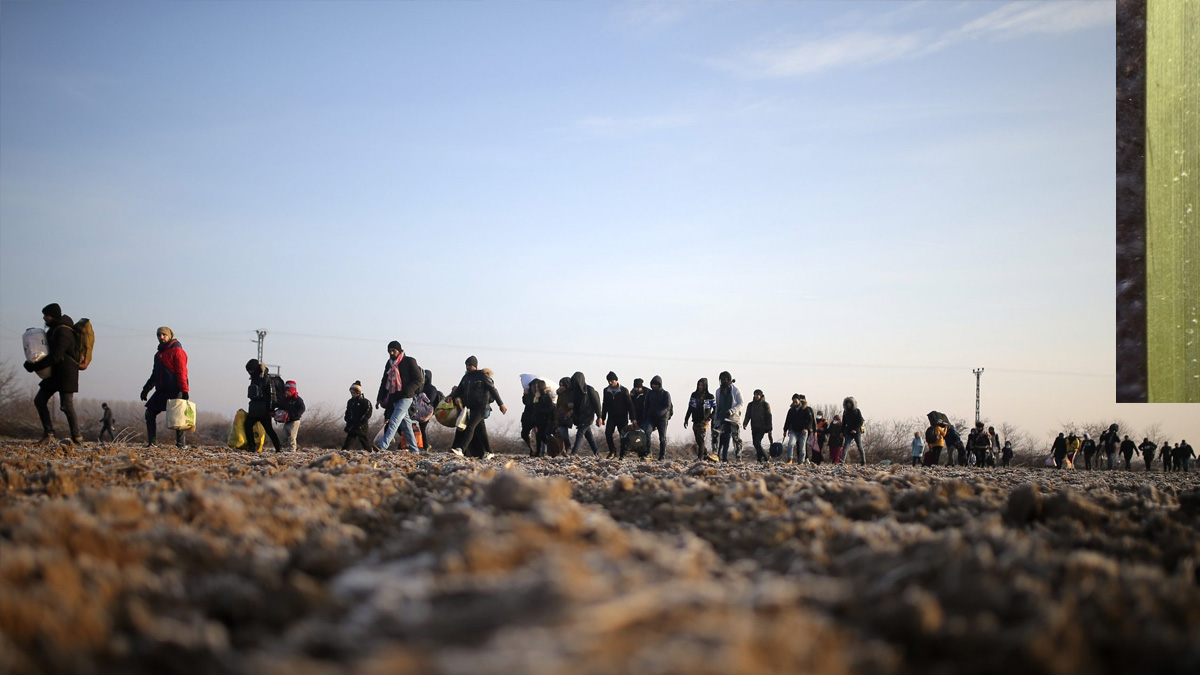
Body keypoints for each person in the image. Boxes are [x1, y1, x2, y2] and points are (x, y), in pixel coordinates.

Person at [24, 303, 81, 445]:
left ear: (53, 316)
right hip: (54, 373)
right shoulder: (54, 330)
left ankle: (77, 437)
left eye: (46, 315)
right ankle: (49, 434)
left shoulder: (64, 332)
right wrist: (31, 363)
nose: (44, 318)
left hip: (66, 374)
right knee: (40, 400)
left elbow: (55, 356)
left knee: (66, 405)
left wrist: (35, 366)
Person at [139, 326, 189, 449]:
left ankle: (181, 445)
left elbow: (181, 372)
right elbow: (154, 374)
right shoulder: (158, 355)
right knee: (149, 413)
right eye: (159, 335)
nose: (161, 337)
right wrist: (146, 389)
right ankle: (152, 443)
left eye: (163, 335)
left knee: (179, 418)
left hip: (175, 390)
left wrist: (184, 391)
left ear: (169, 336)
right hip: (161, 391)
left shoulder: (177, 351)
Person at [450, 356, 506, 458]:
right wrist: (451, 397)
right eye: (466, 365)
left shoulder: (482, 376)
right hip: (471, 407)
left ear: (475, 366)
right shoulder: (466, 378)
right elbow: (459, 390)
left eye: (470, 365)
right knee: (481, 431)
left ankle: (461, 449)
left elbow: (493, 390)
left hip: (481, 407)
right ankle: (490, 452)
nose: (467, 367)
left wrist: (501, 404)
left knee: (470, 427)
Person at [375, 341, 425, 453]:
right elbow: (384, 381)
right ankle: (414, 450)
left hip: (406, 397)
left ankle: (382, 446)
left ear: (399, 350)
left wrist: (408, 390)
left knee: (394, 420)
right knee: (406, 427)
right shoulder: (389, 364)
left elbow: (419, 379)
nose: (392, 353)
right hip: (394, 397)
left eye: (394, 350)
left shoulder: (409, 361)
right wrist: (380, 398)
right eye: (390, 351)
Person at [244, 359, 282, 452]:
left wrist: (271, 409)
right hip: (255, 408)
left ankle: (278, 448)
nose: (250, 372)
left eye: (251, 370)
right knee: (247, 425)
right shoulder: (254, 377)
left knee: (269, 429)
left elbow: (271, 394)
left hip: (264, 409)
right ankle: (251, 447)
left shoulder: (266, 378)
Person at [599, 372, 635, 459]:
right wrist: (602, 417)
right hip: (611, 417)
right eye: (609, 381)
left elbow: (630, 405)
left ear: (616, 380)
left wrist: (633, 418)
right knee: (608, 433)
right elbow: (605, 404)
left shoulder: (623, 390)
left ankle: (623, 454)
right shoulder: (606, 390)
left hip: (622, 417)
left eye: (612, 380)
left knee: (623, 435)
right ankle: (612, 451)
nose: (610, 383)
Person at [684, 378, 716, 460]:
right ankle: (706, 454)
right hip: (695, 420)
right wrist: (686, 419)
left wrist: (710, 417)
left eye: (702, 385)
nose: (700, 387)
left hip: (704, 421)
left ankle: (700, 458)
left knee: (700, 438)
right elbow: (690, 408)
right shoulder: (694, 395)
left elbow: (715, 410)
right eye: (699, 385)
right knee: (698, 440)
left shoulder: (710, 397)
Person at [643, 376, 672, 460]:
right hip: (651, 418)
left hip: (662, 419)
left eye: (656, 384)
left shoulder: (665, 394)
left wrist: (660, 413)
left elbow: (667, 407)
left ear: (659, 384)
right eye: (653, 384)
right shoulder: (650, 394)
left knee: (662, 438)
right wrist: (645, 417)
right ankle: (648, 452)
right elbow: (646, 406)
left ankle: (662, 455)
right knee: (646, 432)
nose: (654, 386)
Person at [525, 378, 557, 457]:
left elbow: (549, 409)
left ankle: (554, 449)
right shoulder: (536, 397)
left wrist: (541, 411)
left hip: (545, 420)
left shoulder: (545, 397)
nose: (536, 389)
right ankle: (538, 453)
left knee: (542, 436)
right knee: (538, 436)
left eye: (537, 387)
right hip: (538, 420)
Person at [742, 389, 774, 464]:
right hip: (754, 427)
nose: (756, 396)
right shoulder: (751, 405)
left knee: (757, 442)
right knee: (755, 443)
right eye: (755, 394)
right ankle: (759, 459)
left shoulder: (765, 404)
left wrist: (769, 428)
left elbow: (769, 417)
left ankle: (766, 457)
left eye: (757, 395)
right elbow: (748, 415)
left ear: (761, 395)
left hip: (762, 427)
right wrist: (745, 423)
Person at [782, 394, 815, 465]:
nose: (794, 403)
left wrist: (806, 428)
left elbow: (810, 420)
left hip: (803, 431)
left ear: (799, 401)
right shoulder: (791, 410)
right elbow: (787, 421)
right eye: (793, 401)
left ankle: (801, 461)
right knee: (791, 444)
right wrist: (785, 430)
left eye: (796, 401)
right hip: (794, 431)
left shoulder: (806, 409)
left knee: (802, 448)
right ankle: (790, 459)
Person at [342, 381, 373, 450]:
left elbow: (368, 413)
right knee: (349, 440)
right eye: (351, 392)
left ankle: (369, 451)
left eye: (354, 392)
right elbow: (348, 411)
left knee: (363, 439)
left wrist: (361, 421)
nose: (352, 394)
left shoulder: (365, 402)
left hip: (361, 426)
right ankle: (343, 452)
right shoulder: (350, 402)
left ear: (358, 392)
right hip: (352, 425)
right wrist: (347, 419)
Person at [417, 370, 444, 449]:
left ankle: (425, 446)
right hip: (418, 410)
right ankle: (425, 445)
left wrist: (422, 397)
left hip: (426, 411)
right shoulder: (420, 387)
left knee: (422, 427)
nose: (423, 379)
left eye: (425, 377)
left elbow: (430, 400)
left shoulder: (431, 388)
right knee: (420, 428)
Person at [277, 380, 305, 452]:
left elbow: (302, 408)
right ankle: (289, 447)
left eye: (288, 391)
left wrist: (294, 415)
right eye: (286, 391)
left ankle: (292, 449)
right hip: (287, 421)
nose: (286, 392)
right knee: (284, 436)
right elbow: (281, 408)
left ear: (292, 390)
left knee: (292, 436)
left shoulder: (298, 399)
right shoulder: (285, 400)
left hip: (294, 420)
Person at [842, 397, 866, 465]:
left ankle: (863, 461)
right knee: (846, 446)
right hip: (848, 431)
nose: (848, 404)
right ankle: (842, 461)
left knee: (859, 446)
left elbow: (860, 421)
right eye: (847, 403)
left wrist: (855, 429)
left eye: (849, 403)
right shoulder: (845, 412)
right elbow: (844, 423)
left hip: (857, 432)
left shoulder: (857, 411)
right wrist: (842, 431)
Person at [555, 377, 574, 452]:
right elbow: (558, 404)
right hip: (560, 414)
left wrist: (570, 412)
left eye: (562, 385)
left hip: (568, 415)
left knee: (563, 430)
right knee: (561, 432)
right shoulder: (561, 394)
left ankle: (568, 446)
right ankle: (565, 448)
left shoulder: (571, 394)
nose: (561, 387)